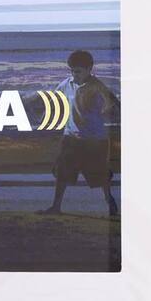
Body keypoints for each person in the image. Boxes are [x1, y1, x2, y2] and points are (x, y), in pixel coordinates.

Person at [39, 50, 120, 216]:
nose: (74, 75)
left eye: (78, 71)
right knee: (62, 172)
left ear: (89, 69)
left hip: (95, 140)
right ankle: (56, 206)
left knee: (100, 174)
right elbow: (54, 102)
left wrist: (107, 112)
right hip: (71, 137)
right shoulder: (66, 84)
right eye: (72, 71)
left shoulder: (97, 86)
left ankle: (109, 200)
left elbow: (115, 104)